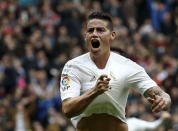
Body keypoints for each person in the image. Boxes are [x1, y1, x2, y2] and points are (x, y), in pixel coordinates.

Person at [60, 11, 171, 131]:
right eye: (90, 30)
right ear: (85, 36)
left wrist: (165, 100)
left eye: (100, 30)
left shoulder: (128, 66)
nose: (94, 34)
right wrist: (94, 91)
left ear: (112, 35)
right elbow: (67, 109)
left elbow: (161, 94)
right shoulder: (73, 66)